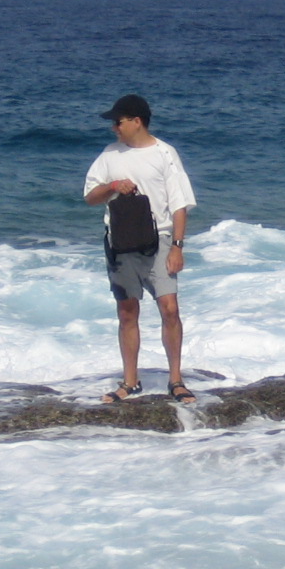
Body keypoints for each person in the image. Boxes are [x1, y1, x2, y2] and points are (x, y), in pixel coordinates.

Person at [83, 94, 198, 404]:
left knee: (169, 309)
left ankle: (176, 380)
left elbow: (179, 204)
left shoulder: (164, 153)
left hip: (159, 240)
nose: (114, 128)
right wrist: (112, 185)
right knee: (127, 312)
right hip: (120, 243)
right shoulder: (109, 155)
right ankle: (130, 381)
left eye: (118, 122)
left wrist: (177, 246)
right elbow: (90, 197)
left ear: (136, 121)